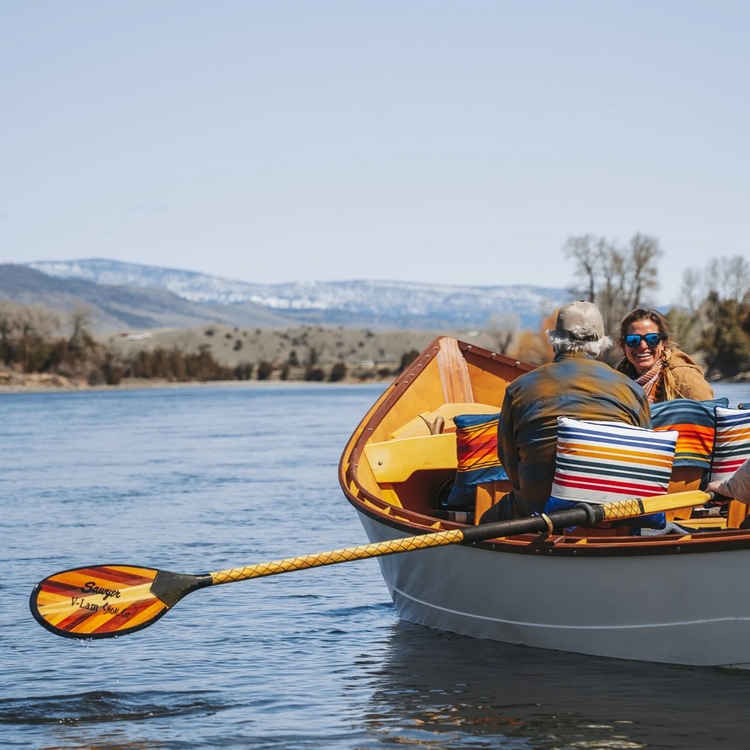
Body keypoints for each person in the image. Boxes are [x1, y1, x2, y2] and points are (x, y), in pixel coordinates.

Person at [481, 300, 651, 521]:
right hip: (615, 515)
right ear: (600, 345)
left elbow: (509, 462)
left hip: (537, 515)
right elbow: (644, 461)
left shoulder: (519, 389)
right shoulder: (632, 390)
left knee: (485, 520)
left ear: (555, 342)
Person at [615, 308, 713, 402]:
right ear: (624, 345)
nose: (643, 346)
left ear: (662, 343)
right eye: (633, 340)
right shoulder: (616, 384)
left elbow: (707, 415)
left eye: (652, 339)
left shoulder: (685, 378)